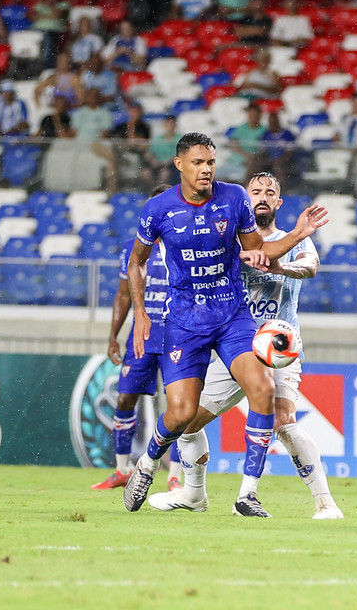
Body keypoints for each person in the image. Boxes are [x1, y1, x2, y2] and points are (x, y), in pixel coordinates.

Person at [122, 132, 328, 513]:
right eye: (198, 162)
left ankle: (247, 494)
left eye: (211, 162)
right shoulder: (158, 209)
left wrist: (299, 234)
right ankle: (149, 464)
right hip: (185, 320)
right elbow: (136, 261)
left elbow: (256, 250)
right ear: (179, 164)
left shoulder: (234, 198)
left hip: (233, 315)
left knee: (263, 390)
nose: (206, 169)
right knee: (182, 414)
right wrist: (139, 314)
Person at [91, 184, 184, 491]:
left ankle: (175, 476)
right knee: (125, 397)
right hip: (141, 337)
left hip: (179, 337)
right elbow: (122, 295)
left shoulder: (185, 244)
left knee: (179, 405)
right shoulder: (134, 248)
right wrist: (113, 336)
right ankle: (122, 469)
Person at [220, 101, 267, 181]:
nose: (253, 117)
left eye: (255, 115)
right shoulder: (241, 129)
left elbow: (264, 149)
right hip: (235, 160)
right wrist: (246, 155)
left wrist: (252, 158)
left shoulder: (264, 131)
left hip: (251, 163)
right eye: (251, 115)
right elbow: (234, 145)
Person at [29, 0, 70, 68]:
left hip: (56, 33)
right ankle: (30, 64)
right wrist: (50, 15)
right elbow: (33, 17)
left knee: (46, 36)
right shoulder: (39, 5)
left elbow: (58, 14)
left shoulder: (64, 5)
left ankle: (47, 64)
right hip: (36, 31)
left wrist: (42, 16)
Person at [258, 111, 296, 186]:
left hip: (284, 160)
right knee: (256, 163)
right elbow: (263, 150)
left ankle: (279, 187)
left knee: (278, 166)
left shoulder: (287, 135)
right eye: (271, 121)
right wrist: (265, 159)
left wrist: (280, 159)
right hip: (269, 159)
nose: (273, 123)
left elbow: (290, 152)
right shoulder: (265, 135)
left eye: (274, 121)